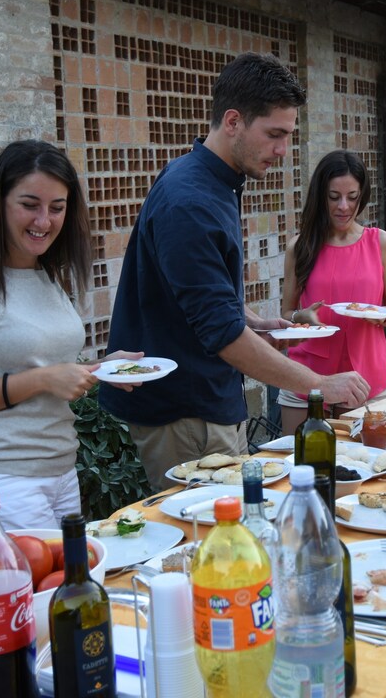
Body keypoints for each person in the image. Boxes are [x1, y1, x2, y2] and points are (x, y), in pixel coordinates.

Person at [101, 53, 370, 491]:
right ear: (232, 121)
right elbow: (220, 333)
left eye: (288, 135)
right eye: (274, 135)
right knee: (213, 549)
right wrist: (320, 385)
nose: (283, 150)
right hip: (186, 414)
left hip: (204, 406)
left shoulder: (211, 183)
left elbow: (197, 296)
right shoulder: (190, 200)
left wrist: (254, 321)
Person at [0, 140, 141, 529]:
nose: (44, 221)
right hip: (1, 482)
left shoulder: (45, 275)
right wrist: (42, 379)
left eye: (57, 208)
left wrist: (102, 369)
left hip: (61, 472)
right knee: (43, 592)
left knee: (68, 589)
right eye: (29, 205)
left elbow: (47, 375)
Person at [277, 150, 386, 433]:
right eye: (334, 197)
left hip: (365, 377)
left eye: (352, 197)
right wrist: (303, 317)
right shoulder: (300, 247)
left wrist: (383, 316)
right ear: (321, 196)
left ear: (362, 195)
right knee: (300, 469)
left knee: (361, 469)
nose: (344, 206)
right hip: (306, 378)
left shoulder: (382, 243)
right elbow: (287, 313)